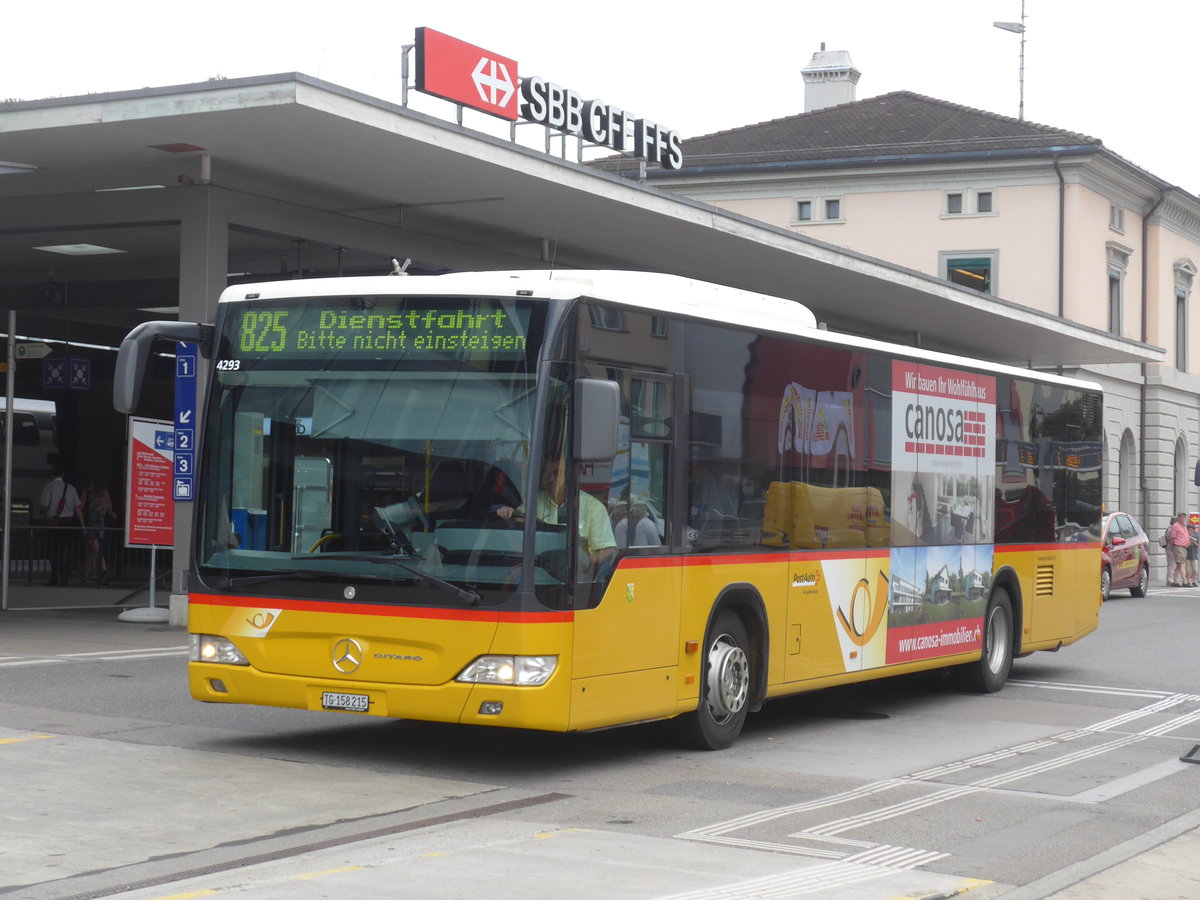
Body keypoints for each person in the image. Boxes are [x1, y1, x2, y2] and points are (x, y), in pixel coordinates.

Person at [496, 457, 616, 571]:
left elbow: (607, 550)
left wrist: (584, 565)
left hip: (574, 578)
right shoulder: (535, 502)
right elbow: (518, 521)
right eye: (547, 474)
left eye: (556, 473)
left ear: (568, 477)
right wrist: (508, 512)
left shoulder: (593, 507)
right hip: (538, 573)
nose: (550, 479)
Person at [38, 465, 81, 587]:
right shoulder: (71, 488)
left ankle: (55, 577)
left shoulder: (48, 487)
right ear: (63, 474)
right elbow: (77, 507)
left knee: (53, 550)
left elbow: (44, 506)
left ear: (52, 474)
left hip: (54, 523)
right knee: (67, 550)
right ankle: (65, 577)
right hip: (69, 524)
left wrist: (43, 511)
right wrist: (82, 526)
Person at [79, 474, 114, 586]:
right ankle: (97, 572)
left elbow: (81, 506)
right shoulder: (103, 494)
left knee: (92, 548)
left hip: (93, 523)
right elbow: (109, 508)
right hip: (98, 523)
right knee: (92, 548)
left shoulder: (89, 493)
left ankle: (93, 573)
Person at [1167, 512, 1190, 587]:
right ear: (1179, 517)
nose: (1184, 518)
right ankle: (1185, 581)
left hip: (1184, 547)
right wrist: (1173, 546)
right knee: (1181, 564)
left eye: (1184, 517)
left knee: (1178, 565)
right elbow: (1172, 537)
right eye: (1182, 517)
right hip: (1178, 546)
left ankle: (1174, 581)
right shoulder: (1176, 526)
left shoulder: (1183, 526)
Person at [1187, 522, 1199, 588]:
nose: (1190, 532)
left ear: (1194, 531)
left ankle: (1194, 581)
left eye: (1191, 530)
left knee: (1195, 569)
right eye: (1189, 530)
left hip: (1194, 556)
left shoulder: (1196, 537)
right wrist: (1189, 542)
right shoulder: (1186, 537)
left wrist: (1194, 543)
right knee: (1188, 570)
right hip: (1187, 556)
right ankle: (1188, 581)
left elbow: (1198, 545)